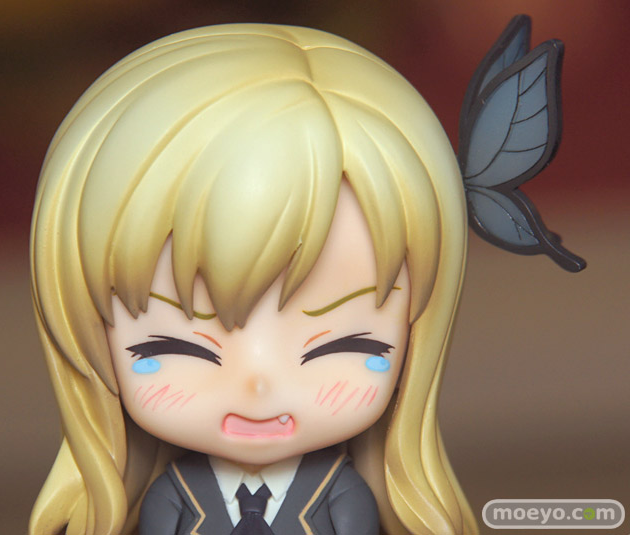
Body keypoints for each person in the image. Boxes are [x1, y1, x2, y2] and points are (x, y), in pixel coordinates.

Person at [28, 24, 477, 535]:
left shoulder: (343, 493)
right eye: (171, 347)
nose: (258, 384)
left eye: (348, 344)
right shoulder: (172, 497)